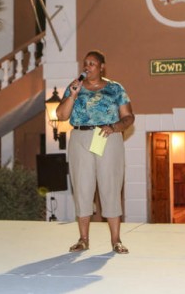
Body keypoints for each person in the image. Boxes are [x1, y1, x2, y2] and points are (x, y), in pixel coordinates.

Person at [55, 50, 135, 254]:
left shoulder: (115, 88)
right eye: (85, 63)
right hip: (80, 137)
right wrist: (73, 95)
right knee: (82, 186)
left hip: (107, 136)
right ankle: (83, 239)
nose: (87, 67)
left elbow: (128, 117)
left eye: (92, 63)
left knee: (110, 186)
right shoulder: (75, 87)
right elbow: (61, 115)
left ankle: (116, 240)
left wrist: (115, 127)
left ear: (102, 67)